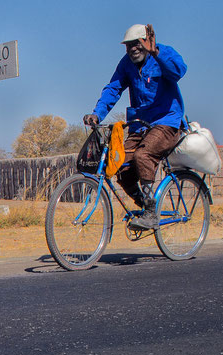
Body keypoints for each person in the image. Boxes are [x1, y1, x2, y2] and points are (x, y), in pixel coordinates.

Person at [83, 24, 187, 230]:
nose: (133, 49)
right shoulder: (126, 64)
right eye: (129, 46)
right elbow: (113, 89)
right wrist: (97, 113)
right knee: (119, 164)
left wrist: (155, 51)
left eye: (137, 44)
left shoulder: (162, 54)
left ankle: (150, 214)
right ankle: (147, 204)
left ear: (146, 42)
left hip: (167, 123)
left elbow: (179, 71)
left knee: (143, 156)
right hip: (140, 126)